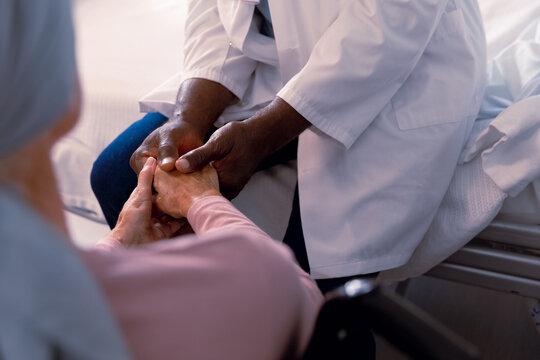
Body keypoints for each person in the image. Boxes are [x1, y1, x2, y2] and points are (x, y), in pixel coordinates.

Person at [0, 0, 323, 359]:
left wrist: (120, 240)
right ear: (65, 96)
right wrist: (202, 200)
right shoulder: (257, 275)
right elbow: (301, 302)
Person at [92, 0, 486, 283]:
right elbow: (219, 9)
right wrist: (189, 115)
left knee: (318, 285)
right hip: (278, 60)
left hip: (397, 70)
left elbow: (388, 23)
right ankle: (187, 322)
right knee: (115, 177)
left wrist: (263, 135)